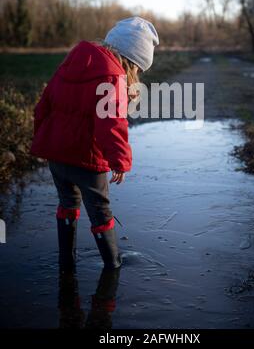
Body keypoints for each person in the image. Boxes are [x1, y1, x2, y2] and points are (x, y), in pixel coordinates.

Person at [30, 16, 159, 272]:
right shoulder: (112, 76)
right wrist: (120, 161)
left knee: (67, 204)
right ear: (132, 61)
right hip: (87, 160)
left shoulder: (71, 62)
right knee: (100, 212)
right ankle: (113, 266)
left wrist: (45, 141)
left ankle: (66, 261)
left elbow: (43, 106)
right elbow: (110, 124)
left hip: (57, 157)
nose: (136, 75)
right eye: (138, 70)